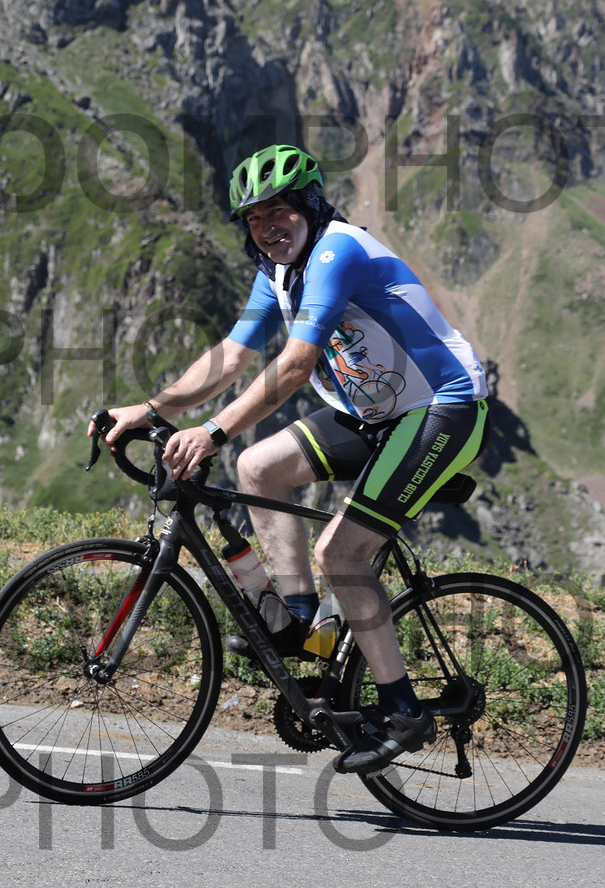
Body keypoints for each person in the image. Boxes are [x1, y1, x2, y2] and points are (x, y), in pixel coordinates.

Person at [90, 144, 489, 773]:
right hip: (374, 412)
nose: (267, 227)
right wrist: (148, 408)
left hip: (443, 406)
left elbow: (298, 364)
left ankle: (403, 710)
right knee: (259, 469)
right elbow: (231, 355)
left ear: (309, 205)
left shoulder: (337, 251)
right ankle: (304, 622)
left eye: (279, 211)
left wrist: (213, 431)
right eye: (253, 218)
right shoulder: (275, 271)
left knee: (341, 553)